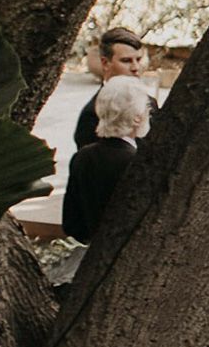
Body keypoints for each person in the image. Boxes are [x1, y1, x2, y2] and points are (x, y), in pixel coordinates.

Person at [62, 76, 152, 243]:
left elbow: (72, 223)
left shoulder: (82, 157)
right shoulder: (138, 163)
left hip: (93, 246)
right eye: (147, 108)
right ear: (137, 118)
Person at [72, 26, 150, 148]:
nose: (135, 68)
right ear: (105, 63)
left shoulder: (150, 103)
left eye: (138, 60)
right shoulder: (91, 115)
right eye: (126, 60)